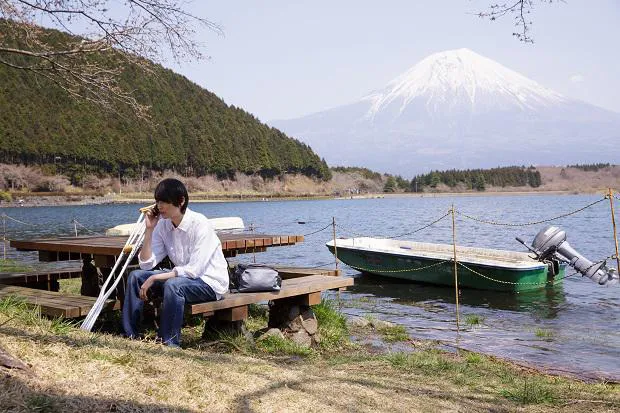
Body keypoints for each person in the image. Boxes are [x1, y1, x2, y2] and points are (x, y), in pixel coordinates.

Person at [122, 178, 229, 347]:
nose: (159, 206)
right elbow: (146, 264)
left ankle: (169, 342)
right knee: (136, 276)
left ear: (181, 201)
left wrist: (155, 278)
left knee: (173, 285)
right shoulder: (163, 224)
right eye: (157, 201)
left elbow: (194, 270)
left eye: (164, 201)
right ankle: (130, 335)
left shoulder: (199, 224)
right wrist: (149, 230)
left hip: (209, 282)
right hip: (183, 277)